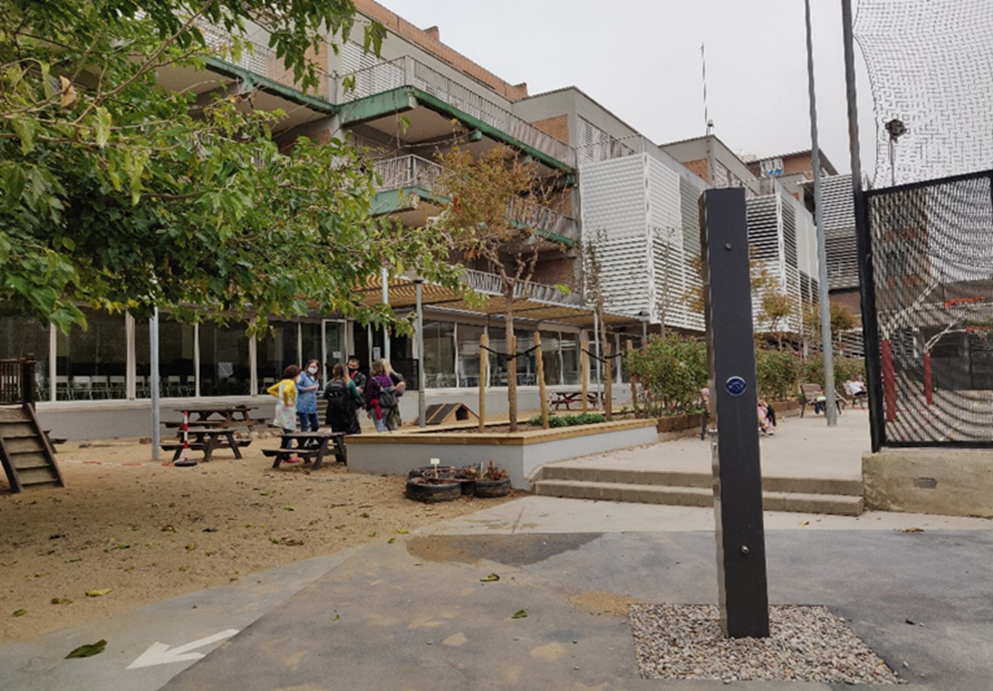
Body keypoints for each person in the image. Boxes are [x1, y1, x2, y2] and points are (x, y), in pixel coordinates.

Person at [267, 365, 301, 462]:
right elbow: (286, 391)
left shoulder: (282, 382)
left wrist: (279, 396)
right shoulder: (290, 383)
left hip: (280, 408)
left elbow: (270, 390)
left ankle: (284, 452)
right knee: (290, 431)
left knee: (286, 431)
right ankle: (286, 453)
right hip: (288, 410)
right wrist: (286, 401)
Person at [324, 363, 363, 434]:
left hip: (333, 411)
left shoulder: (330, 384)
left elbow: (325, 396)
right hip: (347, 411)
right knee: (350, 430)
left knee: (336, 431)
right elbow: (356, 395)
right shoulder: (350, 383)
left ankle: (337, 444)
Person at [364, 360, 397, 434]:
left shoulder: (372, 380)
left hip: (376, 406)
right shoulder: (388, 378)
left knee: (379, 426)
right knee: (383, 424)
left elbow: (369, 395)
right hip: (387, 405)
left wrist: (368, 408)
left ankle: (382, 441)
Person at [295, 359, 321, 433]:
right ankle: (302, 442)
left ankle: (312, 439)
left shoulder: (315, 378)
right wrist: (308, 388)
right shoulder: (302, 375)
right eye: (311, 366)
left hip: (312, 405)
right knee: (305, 425)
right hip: (303, 404)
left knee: (315, 425)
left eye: (315, 367)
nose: (313, 369)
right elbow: (297, 386)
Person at [381, 359, 407, 431]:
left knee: (391, 421)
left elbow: (401, 385)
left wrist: (392, 391)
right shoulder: (382, 376)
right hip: (385, 401)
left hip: (390, 401)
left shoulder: (391, 375)